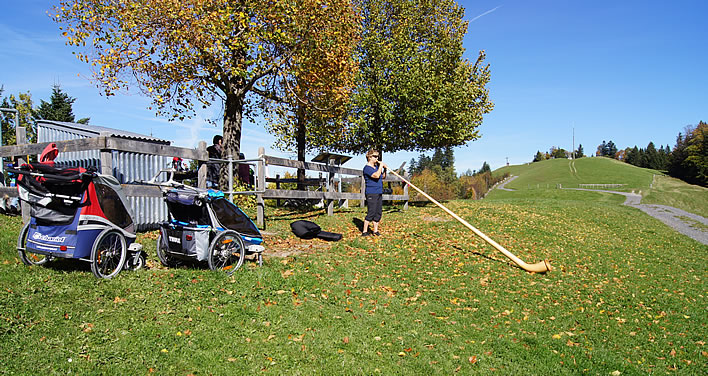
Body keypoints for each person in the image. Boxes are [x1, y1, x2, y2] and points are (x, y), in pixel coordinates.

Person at [362, 149, 387, 236]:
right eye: (375, 156)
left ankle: (375, 231)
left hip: (379, 192)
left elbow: (382, 177)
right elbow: (376, 176)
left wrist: (385, 169)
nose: (377, 158)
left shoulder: (376, 167)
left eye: (377, 156)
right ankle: (365, 231)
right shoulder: (367, 168)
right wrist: (380, 166)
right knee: (371, 212)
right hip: (371, 193)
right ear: (369, 157)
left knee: (378, 212)